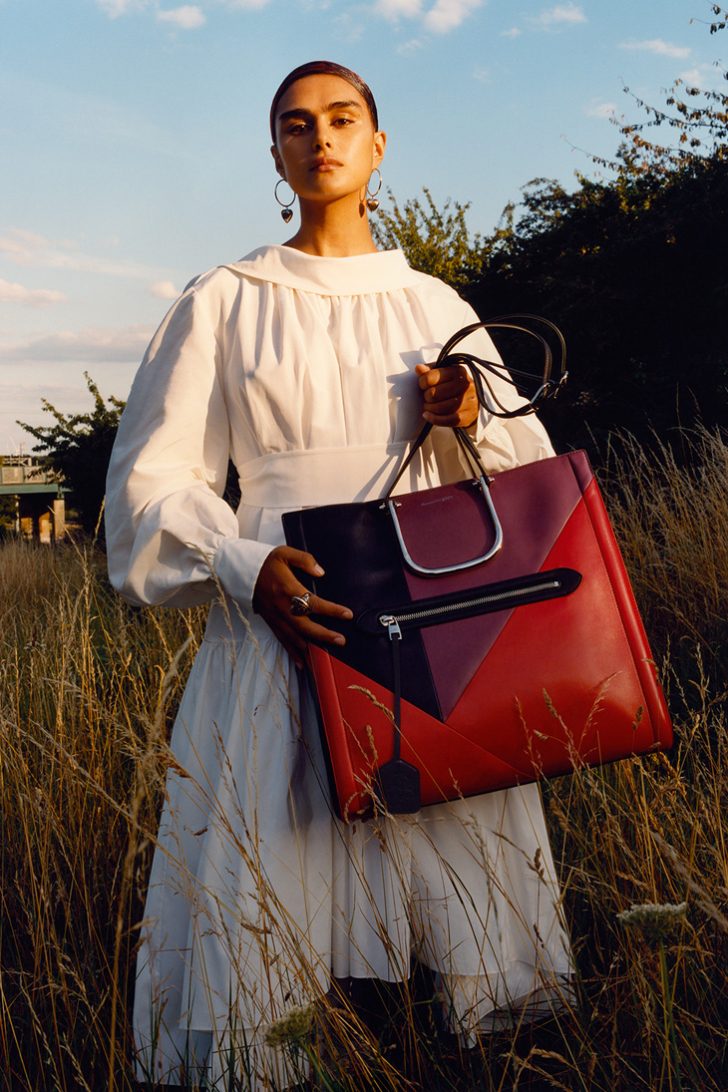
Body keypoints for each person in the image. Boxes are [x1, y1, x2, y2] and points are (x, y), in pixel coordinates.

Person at [106, 60, 573, 1090]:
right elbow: (151, 482)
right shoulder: (224, 300)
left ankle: (482, 1058)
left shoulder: (431, 301)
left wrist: (468, 420)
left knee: (453, 864)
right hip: (287, 613)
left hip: (432, 626)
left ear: (376, 145)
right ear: (274, 154)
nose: (319, 137)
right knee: (276, 862)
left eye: (341, 118)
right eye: (293, 124)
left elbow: (532, 483)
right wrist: (240, 565)